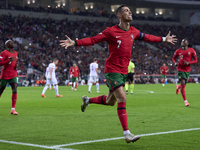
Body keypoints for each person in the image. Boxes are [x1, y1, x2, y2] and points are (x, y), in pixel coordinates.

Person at [60, 5, 177, 143]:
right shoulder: (111, 31)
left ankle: (88, 100)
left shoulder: (133, 31)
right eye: (126, 10)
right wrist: (75, 43)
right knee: (122, 98)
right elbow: (93, 40)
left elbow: (148, 38)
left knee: (110, 102)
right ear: (119, 15)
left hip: (123, 71)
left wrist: (163, 39)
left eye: (130, 10)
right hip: (112, 70)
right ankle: (127, 134)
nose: (130, 12)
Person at [172, 39, 197, 107]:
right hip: (180, 69)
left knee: (184, 85)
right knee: (183, 85)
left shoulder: (191, 50)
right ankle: (186, 101)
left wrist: (189, 63)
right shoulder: (178, 51)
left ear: (187, 43)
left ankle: (178, 87)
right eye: (182, 42)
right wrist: (175, 63)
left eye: (184, 42)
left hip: (187, 70)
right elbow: (173, 58)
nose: (182, 43)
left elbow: (195, 60)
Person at [0, 40, 18, 115]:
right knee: (1, 90)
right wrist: (8, 60)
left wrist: (16, 66)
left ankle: (13, 109)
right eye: (10, 43)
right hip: (5, 75)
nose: (12, 43)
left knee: (14, 90)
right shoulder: (3, 53)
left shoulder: (16, 53)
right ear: (7, 45)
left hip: (13, 74)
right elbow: (0, 63)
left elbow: (15, 62)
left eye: (12, 42)